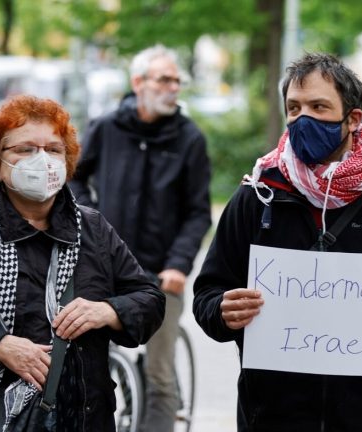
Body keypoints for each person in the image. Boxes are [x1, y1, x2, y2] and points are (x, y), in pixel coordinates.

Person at [193, 53, 362, 431]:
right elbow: (207, 293)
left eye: (319, 107)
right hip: (271, 418)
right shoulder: (258, 195)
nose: (304, 119)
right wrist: (222, 310)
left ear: (352, 119)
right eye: (294, 108)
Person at [0, 94, 165, 431]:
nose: (42, 160)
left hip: (84, 417)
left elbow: (149, 299)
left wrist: (110, 311)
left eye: (54, 149)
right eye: (25, 149)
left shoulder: (91, 229)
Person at [69, 44, 212, 432]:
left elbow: (198, 211)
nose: (173, 88)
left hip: (162, 273)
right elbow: (74, 175)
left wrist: (179, 264)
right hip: (106, 268)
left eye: (176, 81)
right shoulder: (107, 127)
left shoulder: (190, 139)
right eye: (164, 79)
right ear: (138, 83)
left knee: (160, 375)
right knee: (94, 365)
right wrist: (88, 216)